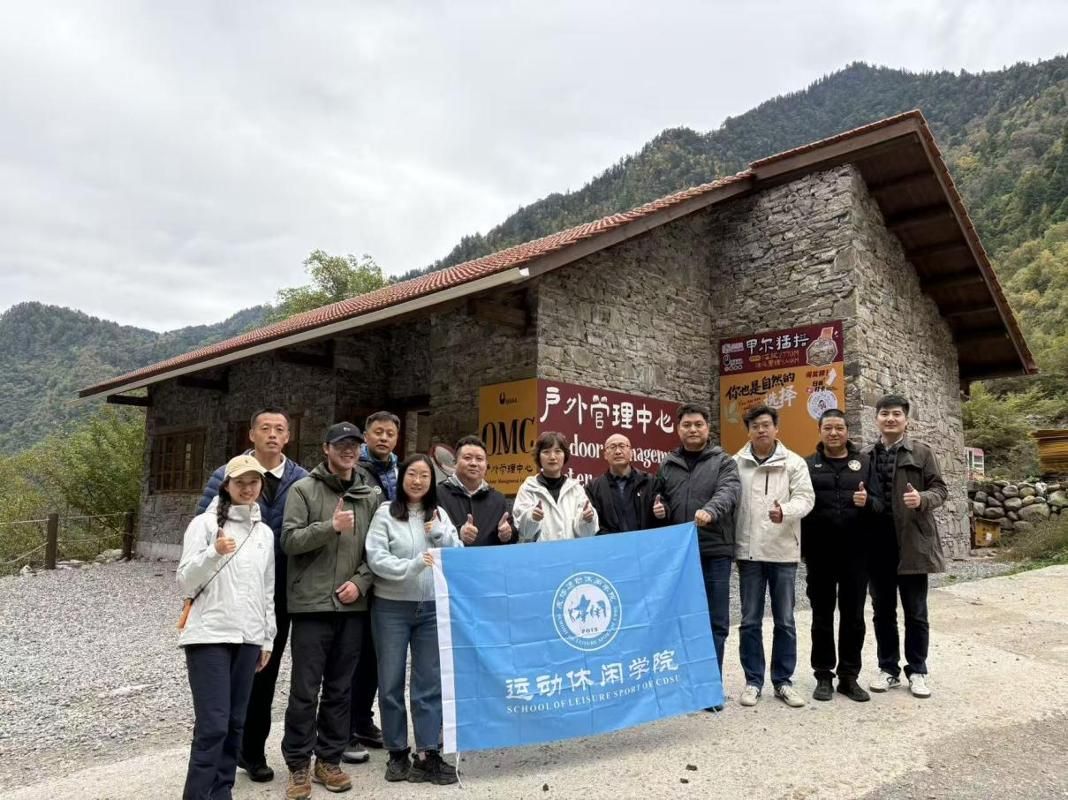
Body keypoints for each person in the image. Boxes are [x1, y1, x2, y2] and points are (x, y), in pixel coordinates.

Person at [195, 407, 308, 783]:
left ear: (288, 436)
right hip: (231, 589)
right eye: (265, 428)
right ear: (252, 434)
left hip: (280, 588)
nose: (272, 434)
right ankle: (217, 754)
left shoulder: (301, 479)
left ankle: (252, 750)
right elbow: (203, 526)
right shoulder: (224, 475)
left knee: (265, 669)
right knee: (227, 674)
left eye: (280, 429)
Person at [279, 422, 379, 800]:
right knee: (304, 691)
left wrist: (361, 583)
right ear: (326, 448)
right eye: (341, 445)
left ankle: (329, 760)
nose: (349, 450)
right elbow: (290, 540)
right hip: (311, 605)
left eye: (354, 445)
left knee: (340, 689)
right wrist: (330, 527)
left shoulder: (369, 495)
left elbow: (377, 550)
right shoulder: (303, 489)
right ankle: (298, 765)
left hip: (352, 605)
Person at [177, 455, 276, 800]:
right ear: (226, 486)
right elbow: (185, 581)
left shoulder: (264, 533)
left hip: (248, 637)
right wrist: (214, 553)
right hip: (210, 634)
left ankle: (222, 793)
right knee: (213, 726)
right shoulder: (203, 525)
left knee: (235, 724)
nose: (247, 489)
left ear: (261, 486)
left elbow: (266, 589)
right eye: (240, 482)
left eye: (254, 482)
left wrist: (267, 638)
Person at [365, 454, 462, 785]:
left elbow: (457, 554)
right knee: (390, 682)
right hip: (391, 607)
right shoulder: (385, 513)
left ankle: (427, 752)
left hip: (431, 609)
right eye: (412, 474)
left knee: (428, 683)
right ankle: (396, 752)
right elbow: (377, 558)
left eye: (424, 475)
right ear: (402, 478)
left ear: (432, 482)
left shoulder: (439, 514)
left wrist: (440, 535)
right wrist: (413, 566)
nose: (418, 481)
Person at [654, 402, 740, 709]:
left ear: (707, 428)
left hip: (714, 550)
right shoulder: (668, 465)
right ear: (679, 429)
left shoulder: (724, 462)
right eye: (687, 425)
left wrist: (711, 511)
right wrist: (660, 509)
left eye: (698, 424)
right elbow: (660, 498)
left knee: (715, 621)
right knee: (682, 620)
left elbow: (729, 492)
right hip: (680, 555)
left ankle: (709, 688)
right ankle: (685, 683)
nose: (692, 429)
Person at [863, 394, 948, 699]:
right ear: (876, 418)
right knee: (882, 612)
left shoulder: (922, 452)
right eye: (884, 413)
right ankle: (888, 669)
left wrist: (921, 499)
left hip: (912, 542)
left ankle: (918, 671)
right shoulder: (866, 456)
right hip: (877, 545)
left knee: (916, 612)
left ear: (906, 420)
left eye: (896, 414)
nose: (890, 419)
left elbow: (940, 489)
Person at [733, 404, 814, 709]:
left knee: (785, 621)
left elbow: (806, 498)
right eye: (755, 426)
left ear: (776, 428)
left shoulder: (794, 463)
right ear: (749, 431)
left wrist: (786, 511)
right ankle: (753, 681)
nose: (761, 430)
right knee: (750, 621)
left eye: (766, 425)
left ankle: (783, 681)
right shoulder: (736, 463)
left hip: (783, 551)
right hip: (749, 552)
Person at [802, 409, 881, 702]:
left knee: (853, 617)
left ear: (847, 431)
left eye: (839, 428)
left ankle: (849, 676)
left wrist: (867, 500)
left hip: (856, 554)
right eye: (828, 428)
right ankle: (823, 675)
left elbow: (881, 505)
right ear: (820, 431)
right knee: (821, 616)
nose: (834, 433)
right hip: (819, 554)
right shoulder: (808, 465)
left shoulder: (865, 464)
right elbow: (800, 507)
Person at [342, 410, 401, 758]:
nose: (383, 438)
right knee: (351, 654)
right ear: (366, 435)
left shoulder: (400, 471)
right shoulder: (355, 470)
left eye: (390, 433)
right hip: (357, 570)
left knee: (376, 655)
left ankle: (363, 720)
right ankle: (343, 727)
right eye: (378, 432)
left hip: (388, 574)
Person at [513, 431, 599, 542]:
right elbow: (522, 531)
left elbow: (587, 534)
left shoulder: (576, 489)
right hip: (539, 552)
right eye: (546, 452)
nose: (552, 457)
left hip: (571, 552)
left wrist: (586, 519)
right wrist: (532, 518)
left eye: (558, 451)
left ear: (565, 455)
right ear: (538, 457)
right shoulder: (528, 488)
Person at [437, 435, 517, 546]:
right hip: (451, 557)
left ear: (486, 465)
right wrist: (458, 534)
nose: (474, 463)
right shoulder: (438, 494)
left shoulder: (498, 499)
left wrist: (508, 534)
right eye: (467, 458)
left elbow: (513, 535)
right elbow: (429, 532)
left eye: (479, 459)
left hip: (488, 557)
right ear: (455, 462)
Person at [585, 433, 667, 534]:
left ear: (631, 453)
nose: (618, 452)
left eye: (622, 446)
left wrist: (662, 512)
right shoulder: (593, 488)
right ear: (605, 455)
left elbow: (664, 508)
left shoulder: (649, 482)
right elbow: (595, 525)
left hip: (645, 541)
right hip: (611, 543)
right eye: (612, 447)